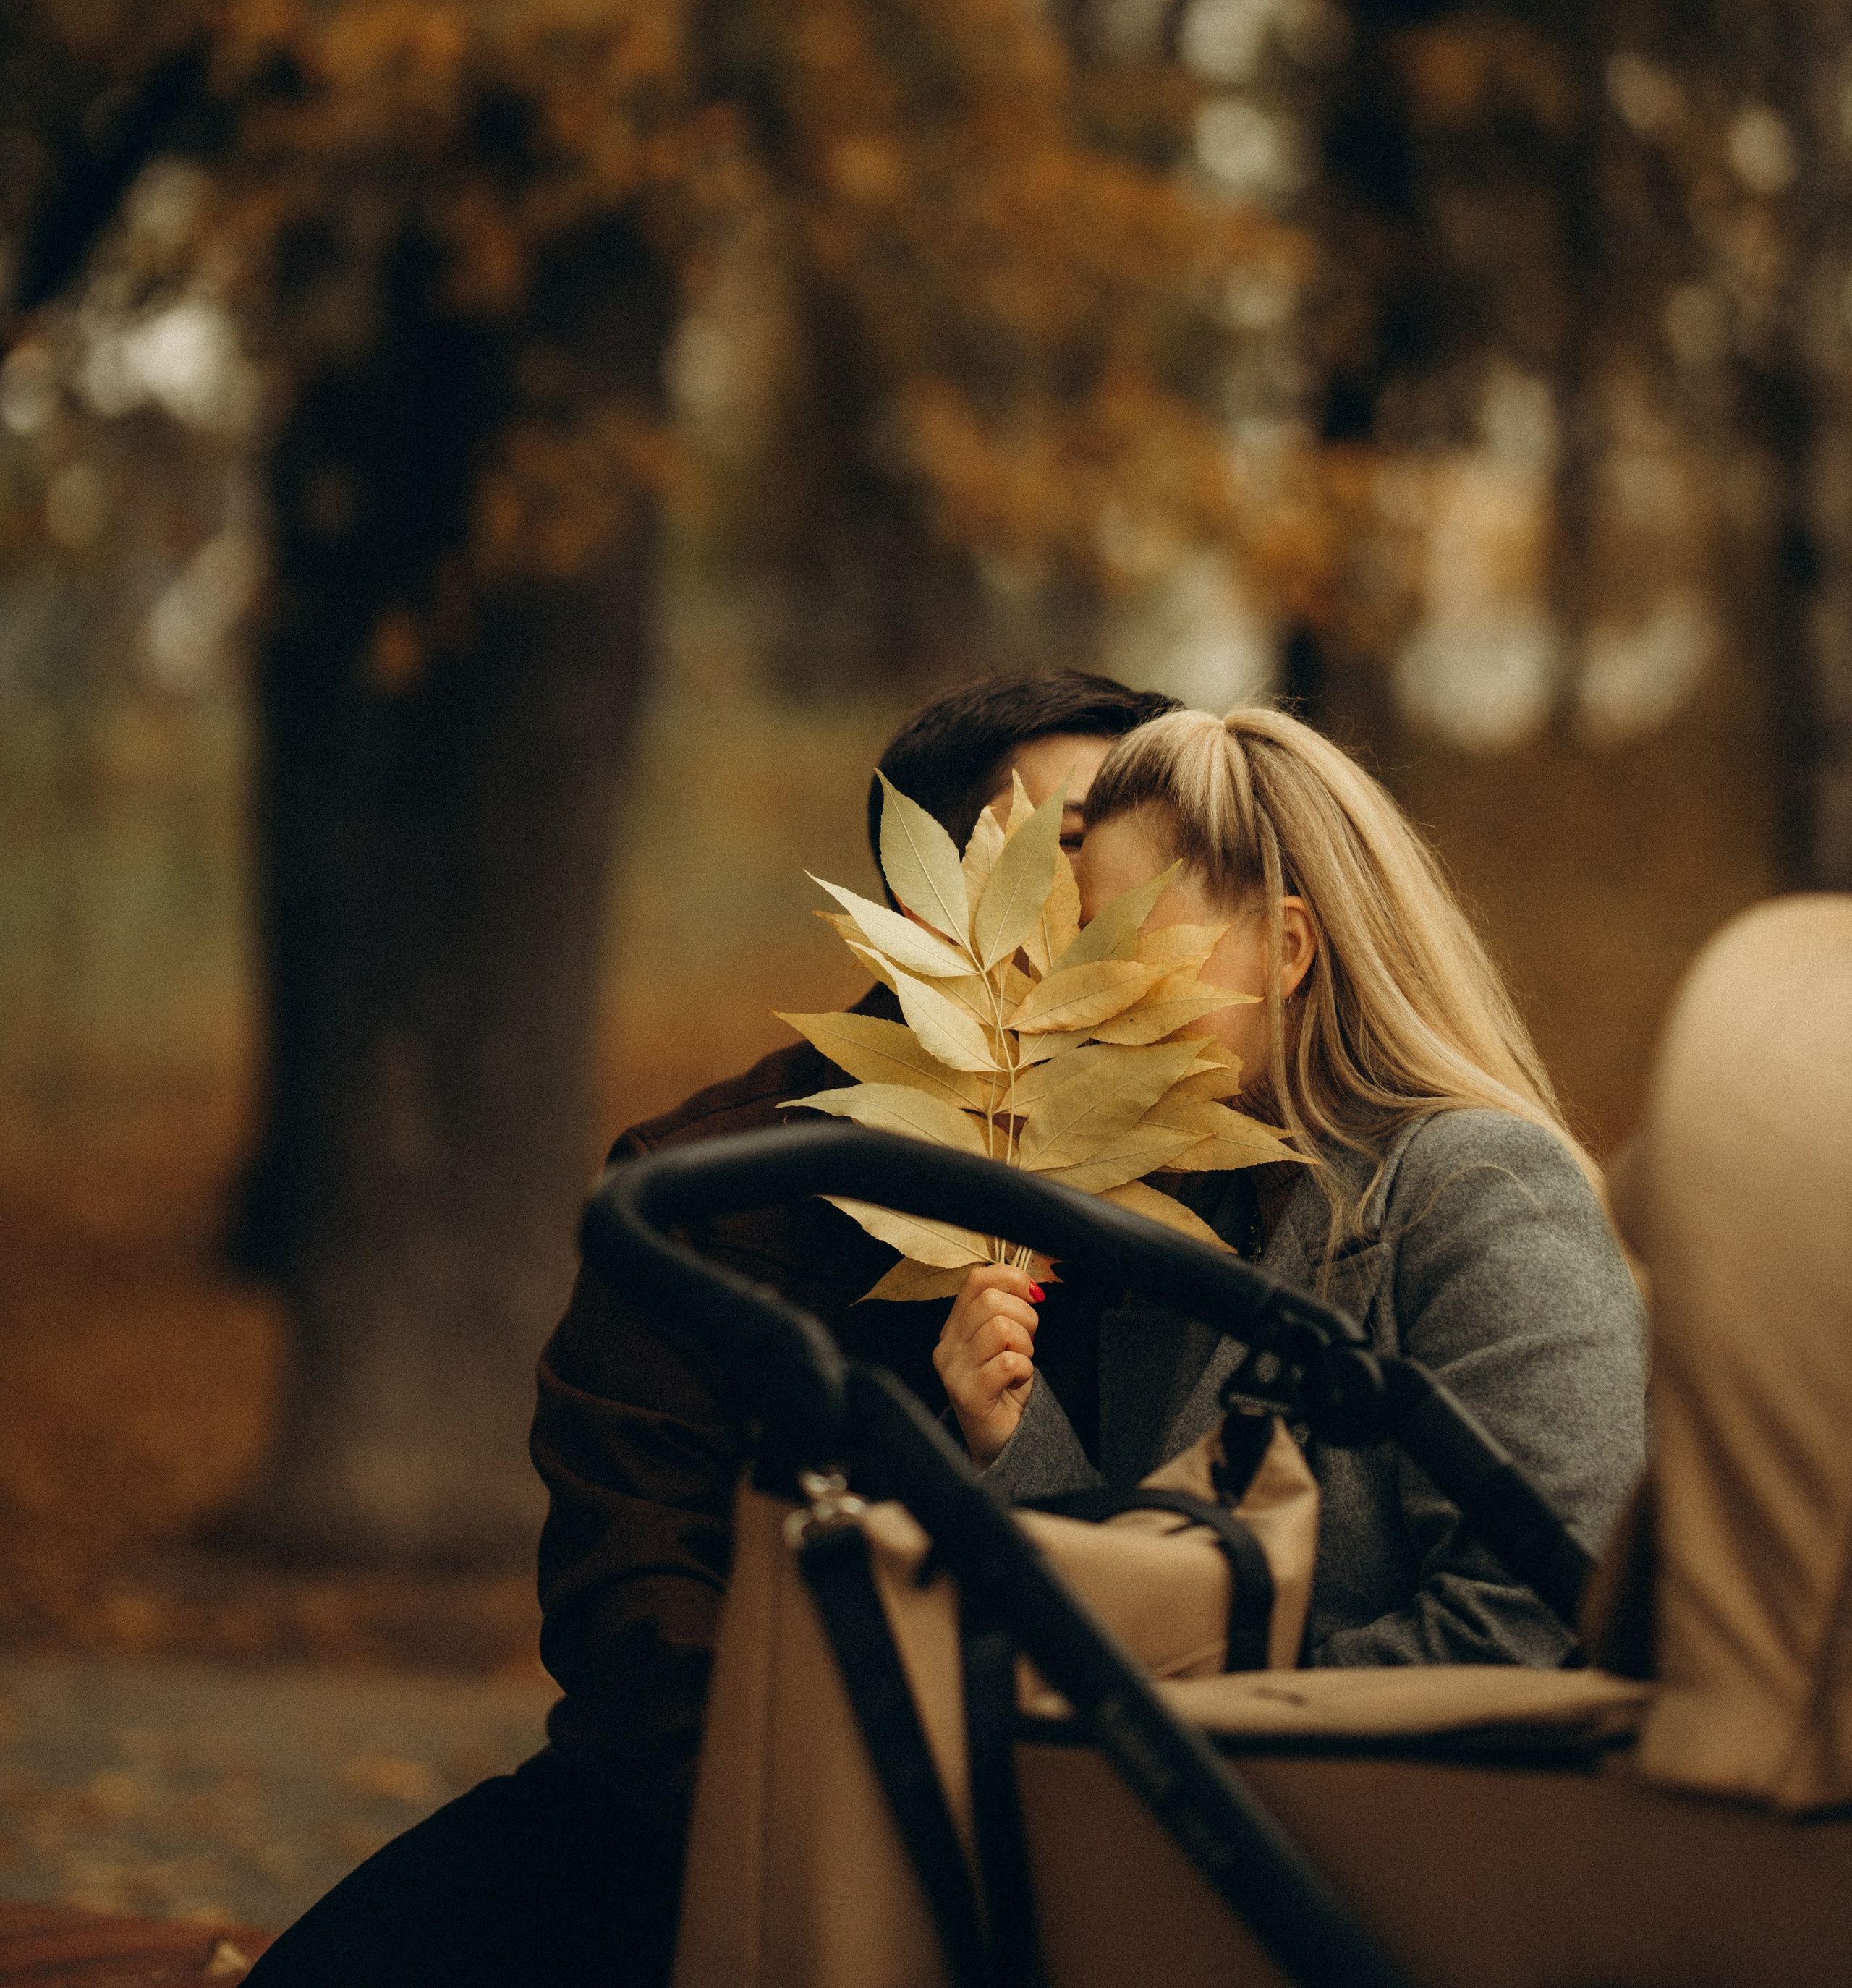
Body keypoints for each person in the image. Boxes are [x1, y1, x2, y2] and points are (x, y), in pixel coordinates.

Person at [248, 668, 1178, 1985]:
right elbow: (631, 1600)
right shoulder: (706, 1192)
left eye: (1169, 841)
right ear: (936, 892)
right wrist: (816, 1848)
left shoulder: (1217, 1197)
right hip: (721, 1819)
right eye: (1077, 838)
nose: (1135, 890)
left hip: (1095, 1844)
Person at [935, 700, 1649, 1667]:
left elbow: (1542, 1622)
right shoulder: (1184, 1217)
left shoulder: (1482, 1189)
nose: (1079, 991)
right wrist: (1015, 1438)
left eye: (1120, 944)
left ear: (1283, 950)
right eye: (1078, 942)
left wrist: (1228, 1724)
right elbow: (1144, 1611)